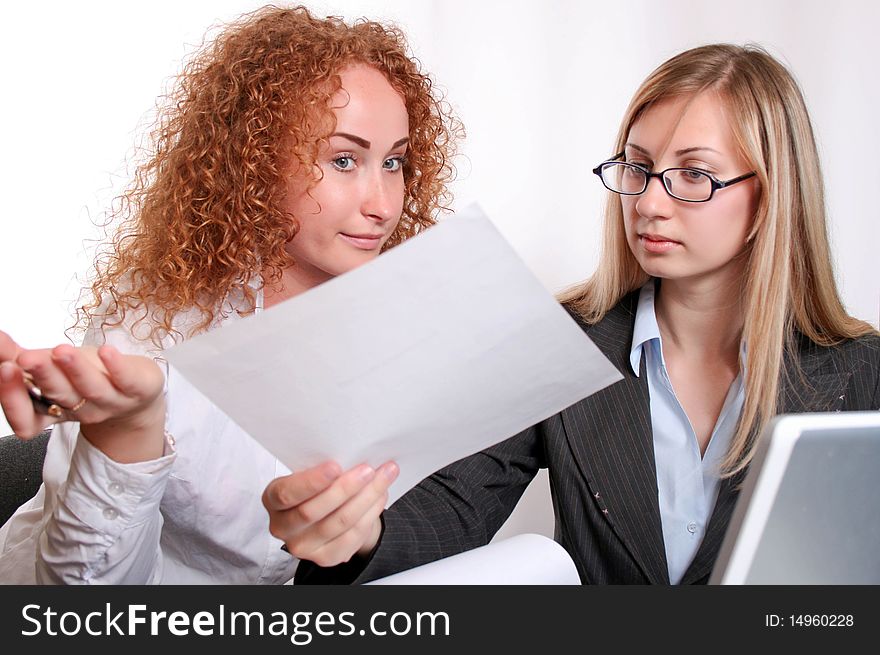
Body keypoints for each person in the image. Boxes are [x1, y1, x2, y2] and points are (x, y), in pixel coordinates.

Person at [279, 43, 880, 584]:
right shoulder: (563, 339)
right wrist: (358, 537)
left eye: (693, 174)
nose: (647, 202)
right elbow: (452, 508)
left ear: (772, 193)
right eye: (638, 168)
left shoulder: (861, 373)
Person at [0, 5, 459, 584]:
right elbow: (85, 601)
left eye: (394, 162)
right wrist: (127, 436)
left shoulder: (397, 326)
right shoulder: (154, 325)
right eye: (344, 160)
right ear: (259, 163)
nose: (384, 205)